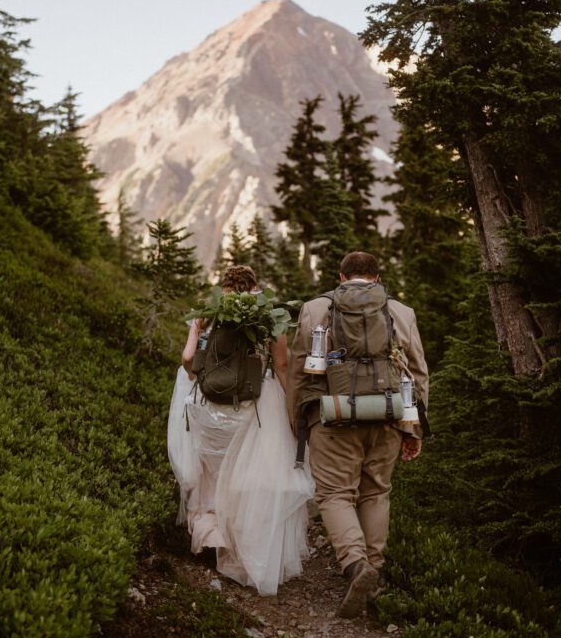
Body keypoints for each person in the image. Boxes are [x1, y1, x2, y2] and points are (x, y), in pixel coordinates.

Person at [288, 251, 428, 618]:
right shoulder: (402, 312)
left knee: (335, 493)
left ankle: (355, 565)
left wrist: (299, 423)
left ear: (341, 276)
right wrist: (413, 428)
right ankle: (374, 573)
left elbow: (299, 371)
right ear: (377, 278)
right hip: (387, 416)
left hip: (332, 416)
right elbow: (417, 374)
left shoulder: (315, 308)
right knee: (376, 491)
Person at [166, 265, 314, 596]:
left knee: (213, 474)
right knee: (247, 478)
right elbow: (281, 364)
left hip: (208, 408)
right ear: (255, 287)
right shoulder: (267, 315)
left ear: (225, 287)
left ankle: (212, 538)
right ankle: (240, 549)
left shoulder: (208, 311)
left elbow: (188, 356)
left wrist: (200, 375)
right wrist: (292, 405)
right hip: (248, 406)